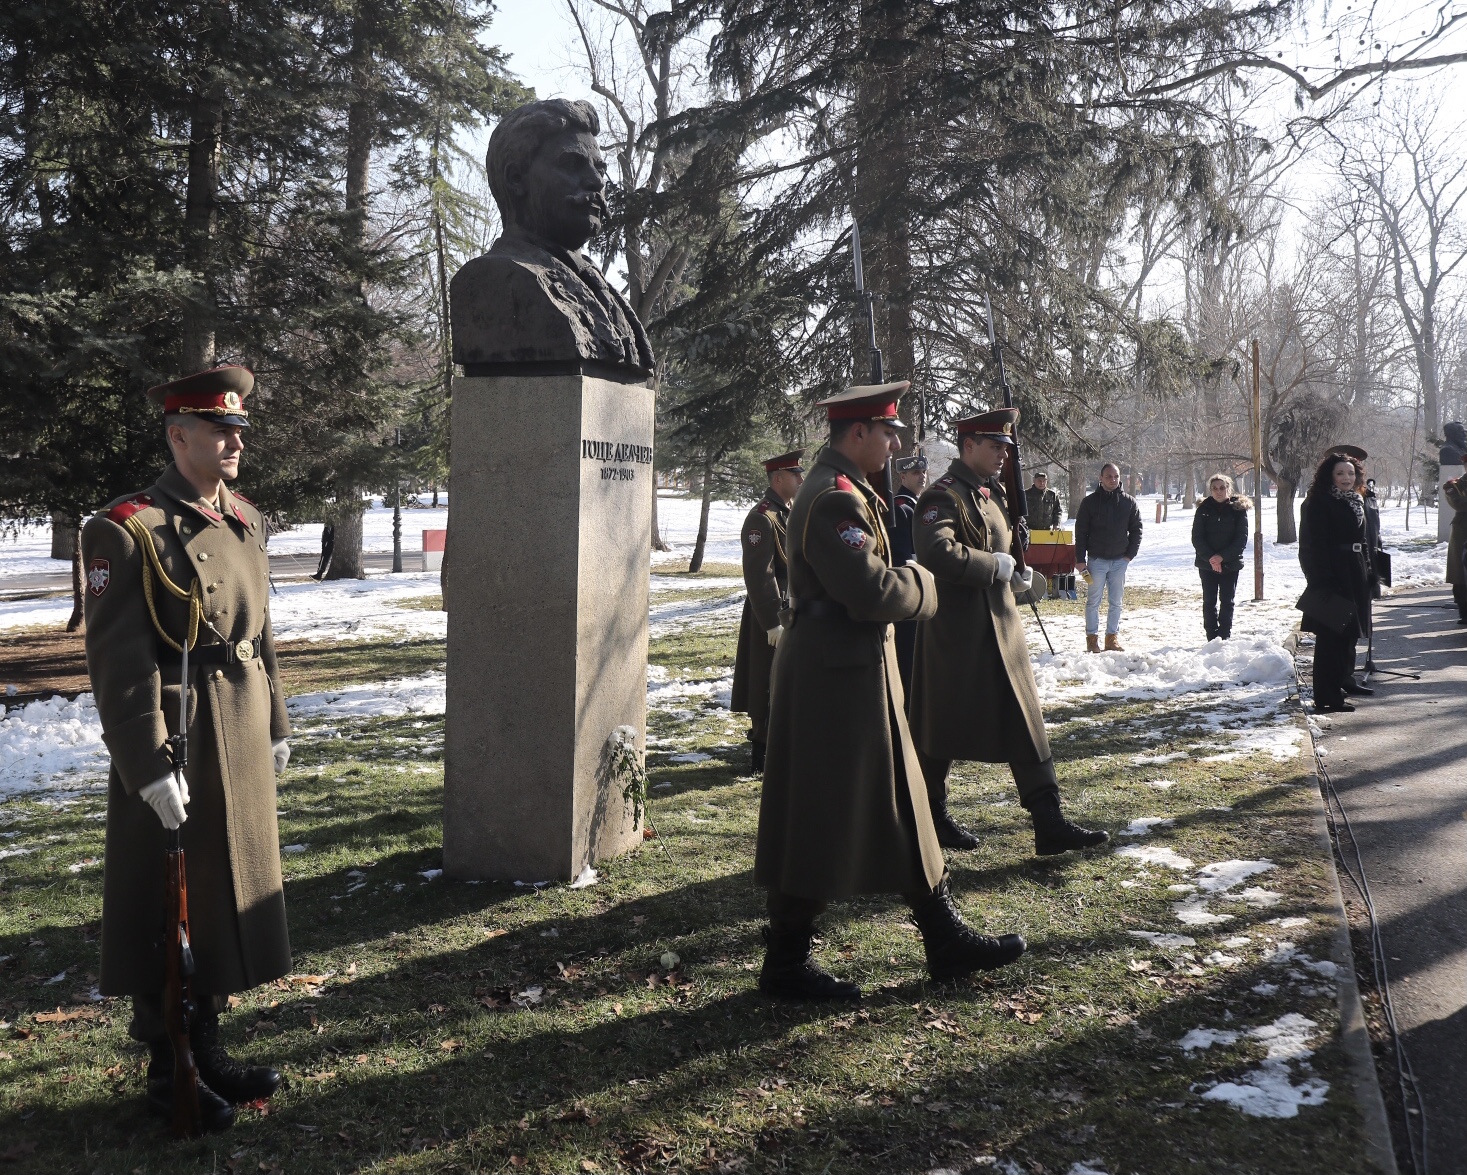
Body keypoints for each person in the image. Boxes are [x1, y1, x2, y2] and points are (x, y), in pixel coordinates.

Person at [756, 383, 1026, 1000]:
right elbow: (874, 591)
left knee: (900, 797)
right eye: (887, 431)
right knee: (819, 809)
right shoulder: (831, 498)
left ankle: (940, 935)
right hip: (833, 674)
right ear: (858, 434)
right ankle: (787, 961)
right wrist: (924, 584)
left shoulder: (844, 488)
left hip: (848, 667)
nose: (896, 441)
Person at [81, 366, 292, 1132]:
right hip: (180, 734)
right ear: (178, 436)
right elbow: (119, 665)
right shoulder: (128, 527)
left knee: (227, 893)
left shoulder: (244, 517)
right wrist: (145, 765)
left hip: (238, 724)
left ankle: (209, 1045)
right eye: (217, 429)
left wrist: (276, 720)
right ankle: (169, 1071)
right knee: (165, 902)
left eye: (237, 429)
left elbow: (261, 632)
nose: (234, 440)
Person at [908, 409, 1109, 855]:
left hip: (1001, 630)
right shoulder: (943, 497)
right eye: (994, 445)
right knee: (938, 731)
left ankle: (1049, 820)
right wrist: (991, 567)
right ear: (968, 446)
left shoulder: (989, 493)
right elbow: (936, 553)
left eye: (1005, 447)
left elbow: (999, 547)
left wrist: (1015, 571)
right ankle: (928, 815)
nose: (1003, 453)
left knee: (1026, 723)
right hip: (958, 634)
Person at [732, 450, 804, 773]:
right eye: (795, 474)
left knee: (784, 682)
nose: (801, 480)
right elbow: (760, 575)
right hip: (770, 613)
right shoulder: (762, 517)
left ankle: (779, 748)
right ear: (778, 479)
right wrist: (773, 621)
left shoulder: (786, 513)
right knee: (765, 682)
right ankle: (760, 755)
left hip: (788, 609)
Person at [1297, 451, 1373, 713]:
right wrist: (1323, 580)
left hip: (1354, 573)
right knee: (1330, 640)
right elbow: (1313, 545)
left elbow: (1361, 540)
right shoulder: (1319, 502)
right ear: (1330, 475)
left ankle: (1338, 690)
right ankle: (1326, 697)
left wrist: (1368, 570)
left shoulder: (1354, 501)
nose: (1346, 478)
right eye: (1340, 473)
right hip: (1332, 575)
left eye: (1351, 473)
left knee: (1347, 638)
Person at [1073, 462, 1142, 652]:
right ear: (1101, 478)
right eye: (1109, 476)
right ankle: (1092, 639)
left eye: (1116, 476)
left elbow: (1137, 530)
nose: (1113, 480)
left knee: (1116, 601)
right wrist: (1080, 559)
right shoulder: (1090, 502)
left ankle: (1112, 639)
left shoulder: (1129, 502)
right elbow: (1081, 532)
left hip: (1120, 561)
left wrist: (1129, 556)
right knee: (1093, 601)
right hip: (1096, 561)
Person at [1190, 473, 1250, 641]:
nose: (1218, 491)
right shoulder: (1203, 509)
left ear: (1228, 489)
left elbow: (1241, 539)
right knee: (1209, 602)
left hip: (1230, 564)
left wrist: (1222, 557)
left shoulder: (1238, 510)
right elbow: (1197, 537)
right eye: (1215, 488)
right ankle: (1211, 636)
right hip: (1206, 563)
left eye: (1222, 488)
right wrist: (1211, 558)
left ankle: (1224, 636)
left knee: (1227, 601)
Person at [891, 452, 929, 691]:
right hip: (910, 590)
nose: (922, 476)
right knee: (908, 656)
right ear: (903, 476)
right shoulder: (901, 508)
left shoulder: (915, 506)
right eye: (916, 472)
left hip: (922, 589)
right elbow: (903, 557)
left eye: (923, 472)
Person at [1444, 472, 1467, 624]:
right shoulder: (1455, 485)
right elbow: (1459, 504)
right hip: (1462, 532)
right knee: (1460, 576)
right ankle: (1464, 612)